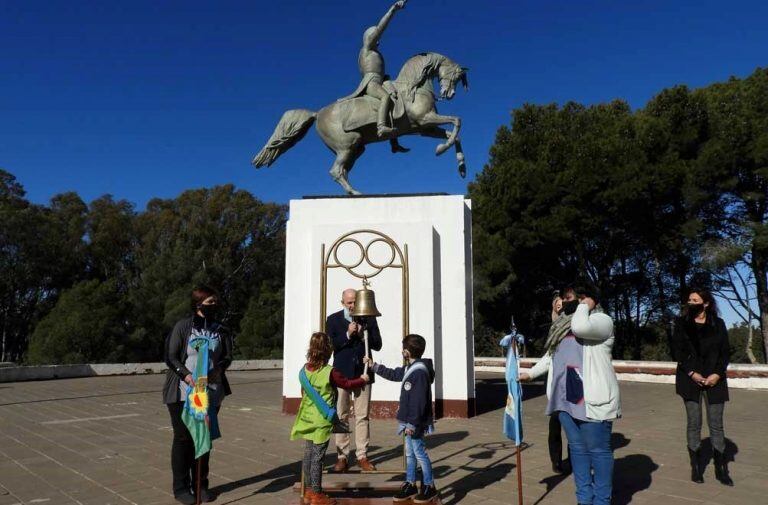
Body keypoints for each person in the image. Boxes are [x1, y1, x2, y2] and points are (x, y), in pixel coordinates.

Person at [520, 288, 620, 505]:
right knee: (577, 451)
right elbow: (550, 357)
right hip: (564, 399)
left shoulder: (601, 320)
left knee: (598, 451)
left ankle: (602, 501)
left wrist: (586, 305)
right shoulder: (561, 327)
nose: (566, 302)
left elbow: (580, 326)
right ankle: (583, 499)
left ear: (590, 299)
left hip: (592, 400)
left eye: (572, 298)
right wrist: (529, 374)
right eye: (564, 299)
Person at [163, 286, 233, 505]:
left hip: (210, 392)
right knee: (184, 438)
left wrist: (218, 370)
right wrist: (186, 376)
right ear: (198, 303)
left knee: (204, 436)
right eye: (210, 302)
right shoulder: (183, 327)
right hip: (184, 392)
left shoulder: (221, 329)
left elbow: (228, 356)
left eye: (215, 302)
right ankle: (181, 487)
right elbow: (170, 356)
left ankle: (201, 484)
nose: (214, 306)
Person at [291, 332, 370, 505]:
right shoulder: (330, 372)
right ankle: (317, 494)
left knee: (308, 455)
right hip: (321, 420)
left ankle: (308, 491)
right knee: (318, 458)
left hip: (307, 418)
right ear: (329, 351)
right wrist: (363, 379)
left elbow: (304, 393)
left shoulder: (303, 371)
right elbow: (347, 384)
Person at [365, 334, 438, 503]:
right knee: (410, 454)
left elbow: (418, 401)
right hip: (408, 421)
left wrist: (412, 422)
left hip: (415, 422)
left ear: (406, 352)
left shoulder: (419, 373)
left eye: (403, 348)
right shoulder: (411, 368)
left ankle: (429, 486)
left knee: (420, 453)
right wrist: (373, 366)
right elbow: (394, 374)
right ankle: (410, 483)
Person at [670, 288, 733, 486]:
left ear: (705, 303)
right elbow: (677, 352)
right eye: (689, 300)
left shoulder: (718, 323)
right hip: (689, 378)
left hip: (715, 379)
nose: (691, 303)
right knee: (694, 422)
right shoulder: (680, 324)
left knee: (716, 423)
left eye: (695, 300)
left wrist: (717, 374)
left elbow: (725, 352)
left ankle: (721, 469)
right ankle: (696, 468)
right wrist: (691, 373)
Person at [338, 0, 410, 153]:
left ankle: (394, 144)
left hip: (382, 81)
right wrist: (393, 10)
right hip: (371, 82)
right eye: (375, 37)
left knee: (396, 100)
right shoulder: (367, 48)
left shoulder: (375, 53)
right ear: (369, 37)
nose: (378, 40)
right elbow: (380, 28)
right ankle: (381, 127)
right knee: (385, 98)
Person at [326, 288, 383, 472]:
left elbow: (378, 344)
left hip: (362, 373)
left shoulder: (368, 317)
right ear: (342, 302)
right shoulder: (333, 319)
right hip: (341, 374)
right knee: (341, 415)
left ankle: (362, 456)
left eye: (354, 302)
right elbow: (330, 346)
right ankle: (342, 456)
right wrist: (347, 335)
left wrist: (362, 333)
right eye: (349, 302)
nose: (352, 306)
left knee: (362, 415)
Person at [546, 287, 576, 475]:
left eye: (565, 301)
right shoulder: (555, 326)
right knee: (555, 427)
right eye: (559, 302)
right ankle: (556, 461)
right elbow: (548, 354)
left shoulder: (576, 322)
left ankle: (574, 460)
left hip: (572, 382)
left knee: (573, 427)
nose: (562, 304)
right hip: (556, 385)